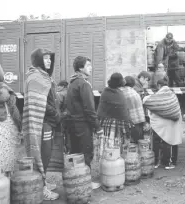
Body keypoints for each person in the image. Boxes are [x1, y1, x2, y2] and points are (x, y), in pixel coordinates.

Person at [22, 48, 63, 201]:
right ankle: (41, 188)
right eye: (45, 58)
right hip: (43, 122)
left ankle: (42, 181)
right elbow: (39, 103)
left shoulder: (45, 77)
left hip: (49, 121)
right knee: (42, 154)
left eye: (50, 59)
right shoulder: (35, 77)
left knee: (47, 152)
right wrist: (55, 113)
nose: (49, 61)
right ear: (38, 59)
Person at [66, 56, 103, 190]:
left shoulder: (73, 82)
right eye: (88, 65)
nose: (91, 68)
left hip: (73, 124)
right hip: (82, 124)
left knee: (75, 153)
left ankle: (76, 182)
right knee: (86, 152)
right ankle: (86, 182)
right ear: (81, 68)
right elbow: (89, 109)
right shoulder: (83, 84)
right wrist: (97, 127)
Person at [143, 78, 182, 169]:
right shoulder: (173, 95)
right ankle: (169, 163)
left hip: (158, 124)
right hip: (172, 123)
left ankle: (156, 162)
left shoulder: (157, 95)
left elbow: (147, 101)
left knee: (156, 142)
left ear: (159, 86)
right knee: (170, 141)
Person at [97, 73, 131, 155]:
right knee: (116, 148)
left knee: (105, 147)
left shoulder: (105, 91)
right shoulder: (120, 94)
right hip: (117, 126)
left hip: (105, 124)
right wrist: (128, 128)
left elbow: (101, 110)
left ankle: (106, 162)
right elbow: (124, 113)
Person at [120, 76, 146, 143]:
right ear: (133, 84)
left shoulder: (120, 92)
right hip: (137, 122)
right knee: (136, 144)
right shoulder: (135, 94)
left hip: (125, 123)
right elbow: (140, 109)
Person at [56, 80, 70, 153]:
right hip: (70, 117)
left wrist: (58, 118)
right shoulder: (71, 93)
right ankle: (69, 150)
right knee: (69, 135)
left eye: (59, 86)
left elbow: (57, 108)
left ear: (63, 87)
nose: (57, 87)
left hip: (62, 117)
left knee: (60, 134)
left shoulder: (59, 94)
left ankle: (61, 150)